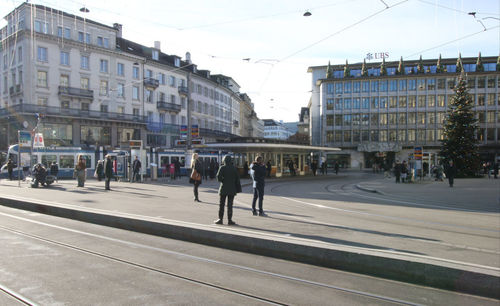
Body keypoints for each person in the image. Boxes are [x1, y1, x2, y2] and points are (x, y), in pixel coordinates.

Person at [215, 155, 241, 225]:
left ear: (224, 160)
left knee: (221, 204)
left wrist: (223, 180)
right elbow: (237, 179)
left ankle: (220, 219)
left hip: (223, 189)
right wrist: (238, 188)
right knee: (230, 205)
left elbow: (218, 177)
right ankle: (230, 220)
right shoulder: (234, 168)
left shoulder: (222, 168)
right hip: (232, 189)